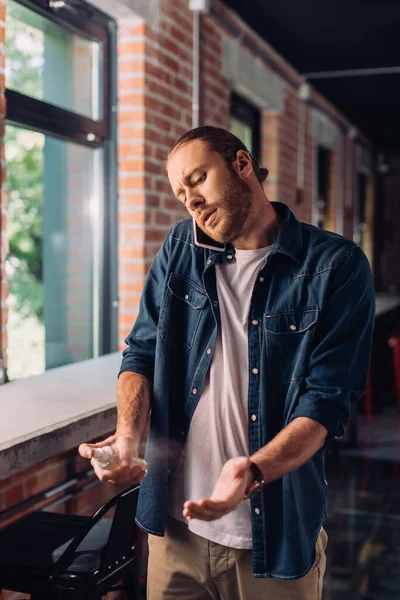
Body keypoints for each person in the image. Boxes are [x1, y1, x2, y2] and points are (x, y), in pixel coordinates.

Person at [79, 126, 375, 599]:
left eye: (198, 179)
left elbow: (326, 403)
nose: (190, 201)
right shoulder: (181, 248)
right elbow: (141, 351)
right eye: (181, 193)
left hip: (273, 538)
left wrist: (251, 471)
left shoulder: (335, 266)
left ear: (241, 164)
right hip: (174, 530)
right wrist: (128, 437)